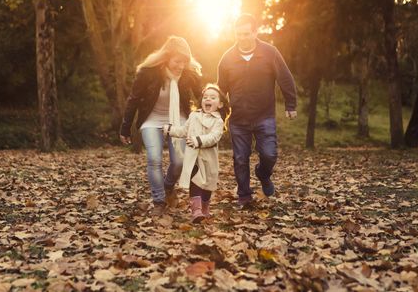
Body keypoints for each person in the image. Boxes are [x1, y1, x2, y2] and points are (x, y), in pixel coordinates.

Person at [217, 13, 297, 209]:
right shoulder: (227, 58)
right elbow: (220, 90)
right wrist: (217, 115)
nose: (242, 38)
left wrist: (290, 104)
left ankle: (263, 174)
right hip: (238, 119)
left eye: (246, 33)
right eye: (239, 34)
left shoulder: (270, 53)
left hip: (264, 116)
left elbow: (285, 78)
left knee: (269, 154)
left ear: (255, 32)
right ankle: (244, 196)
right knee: (240, 159)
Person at [120, 36, 202, 217]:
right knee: (154, 159)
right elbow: (133, 100)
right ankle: (158, 201)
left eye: (184, 61)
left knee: (179, 161)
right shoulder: (148, 73)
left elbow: (202, 97)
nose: (181, 66)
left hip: (178, 120)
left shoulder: (188, 75)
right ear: (167, 58)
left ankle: (167, 186)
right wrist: (125, 127)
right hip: (152, 119)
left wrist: (212, 116)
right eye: (177, 61)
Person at [163, 84, 229, 223]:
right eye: (205, 97)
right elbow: (183, 131)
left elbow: (214, 137)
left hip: (208, 158)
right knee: (196, 182)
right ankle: (196, 211)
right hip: (193, 158)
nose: (208, 99)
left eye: (212, 97)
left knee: (207, 185)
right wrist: (170, 129)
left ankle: (205, 207)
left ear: (220, 104)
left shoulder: (218, 121)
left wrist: (198, 140)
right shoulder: (194, 116)